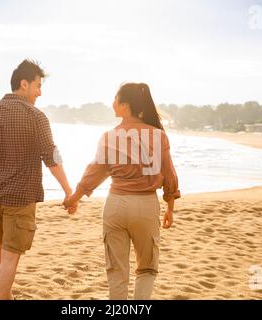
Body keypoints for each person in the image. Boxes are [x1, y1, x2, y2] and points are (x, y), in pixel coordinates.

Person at [0, 59, 74, 300]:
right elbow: (51, 157)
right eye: (38, 86)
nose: (40, 92)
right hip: (20, 196)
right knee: (10, 258)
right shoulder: (36, 116)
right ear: (24, 83)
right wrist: (68, 190)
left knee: (0, 251)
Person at [64, 82, 180, 300]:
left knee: (116, 271)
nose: (112, 103)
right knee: (147, 268)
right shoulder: (158, 135)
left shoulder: (109, 136)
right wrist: (170, 208)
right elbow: (169, 175)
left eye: (116, 99)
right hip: (145, 206)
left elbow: (95, 172)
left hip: (116, 204)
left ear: (125, 106)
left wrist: (74, 198)